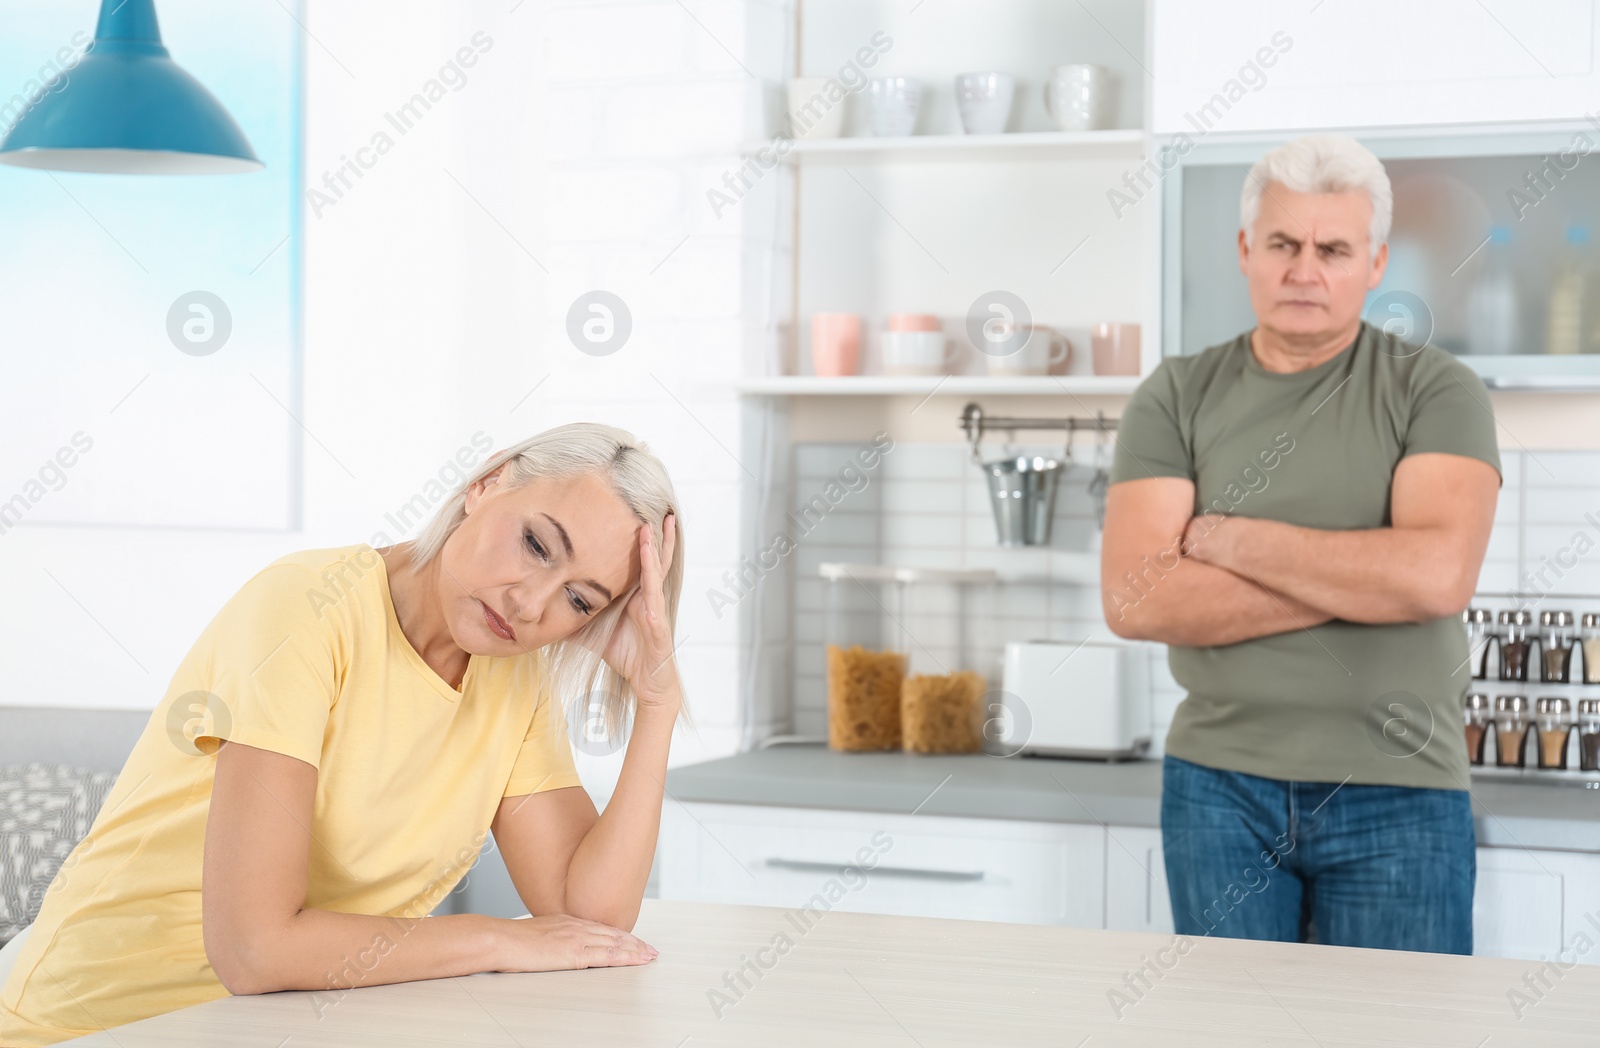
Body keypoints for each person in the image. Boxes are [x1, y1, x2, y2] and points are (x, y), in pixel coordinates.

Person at [0, 422, 687, 1045]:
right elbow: (253, 950)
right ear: (487, 483)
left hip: (271, 1029)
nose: (531, 603)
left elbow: (588, 920)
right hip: (97, 1024)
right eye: (537, 544)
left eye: (578, 600)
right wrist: (499, 941)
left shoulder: (516, 678)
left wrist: (656, 703)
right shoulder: (306, 607)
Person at [1100, 133, 1500, 953]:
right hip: (1218, 789)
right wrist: (1360, 570)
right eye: (1282, 243)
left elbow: (1433, 579)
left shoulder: (1435, 389)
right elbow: (1137, 599)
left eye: (1333, 248)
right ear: (1247, 249)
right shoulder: (1175, 395)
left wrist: (1231, 540)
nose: (1304, 269)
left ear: (1376, 262)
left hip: (1399, 790)